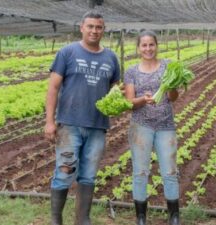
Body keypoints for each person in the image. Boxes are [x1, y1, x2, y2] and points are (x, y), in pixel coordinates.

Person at [44, 11, 120, 225]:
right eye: (91, 26)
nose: (95, 31)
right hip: (70, 125)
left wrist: (120, 103)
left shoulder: (111, 58)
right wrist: (50, 121)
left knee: (88, 176)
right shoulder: (67, 53)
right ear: (82, 28)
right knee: (64, 172)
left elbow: (115, 91)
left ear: (103, 30)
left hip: (97, 126)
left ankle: (82, 219)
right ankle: (55, 220)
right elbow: (53, 88)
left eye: (99, 27)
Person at [124, 30, 180, 225]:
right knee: (140, 172)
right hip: (141, 126)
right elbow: (130, 102)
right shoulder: (131, 71)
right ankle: (141, 217)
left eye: (151, 45)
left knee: (170, 172)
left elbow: (173, 98)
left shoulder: (167, 66)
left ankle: (174, 217)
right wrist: (144, 99)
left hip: (166, 125)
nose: (148, 48)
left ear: (157, 46)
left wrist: (171, 86)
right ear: (138, 48)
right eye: (144, 45)